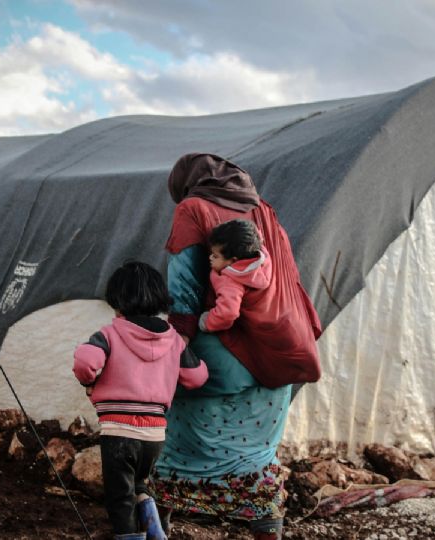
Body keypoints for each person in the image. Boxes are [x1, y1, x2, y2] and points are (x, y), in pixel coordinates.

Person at [150, 153, 322, 540]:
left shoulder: (192, 208)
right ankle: (266, 527)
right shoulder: (264, 211)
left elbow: (185, 286)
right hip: (276, 355)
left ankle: (159, 524)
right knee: (258, 458)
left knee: (183, 444)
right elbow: (289, 279)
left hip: (221, 355)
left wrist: (179, 340)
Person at [72, 261, 209, 540]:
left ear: (117, 301)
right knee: (140, 483)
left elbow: (85, 361)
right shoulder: (172, 339)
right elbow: (196, 377)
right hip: (154, 434)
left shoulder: (110, 334)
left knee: (120, 497)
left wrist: (90, 382)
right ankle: (154, 528)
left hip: (119, 433)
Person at [198, 218, 270, 333]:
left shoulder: (230, 282)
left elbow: (228, 312)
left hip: (254, 331)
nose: (210, 257)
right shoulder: (261, 256)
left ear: (233, 261)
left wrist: (207, 322)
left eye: (215, 256)